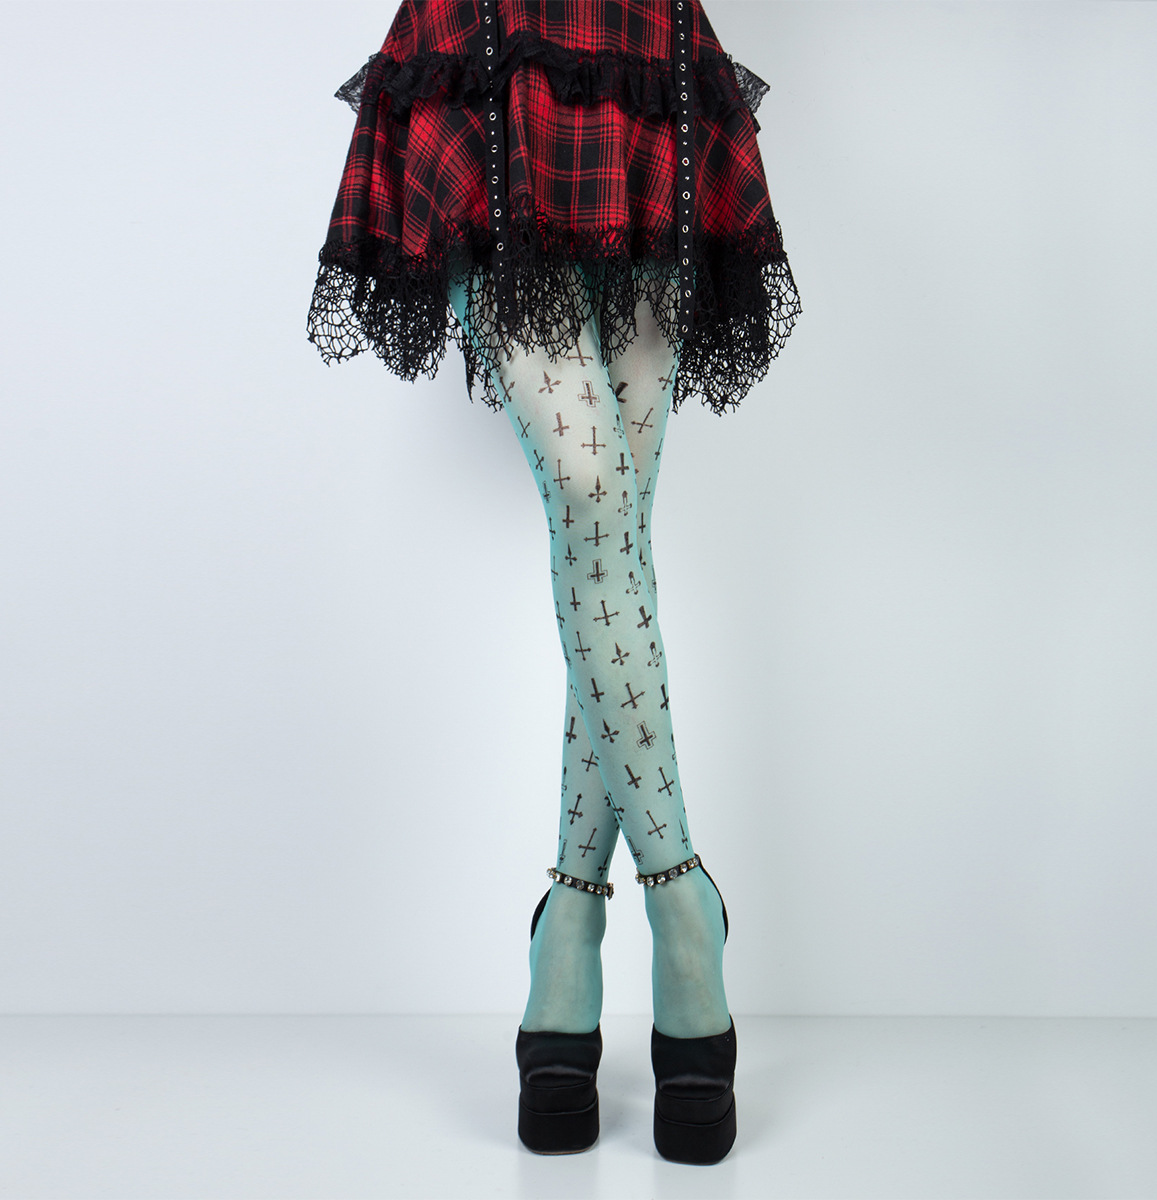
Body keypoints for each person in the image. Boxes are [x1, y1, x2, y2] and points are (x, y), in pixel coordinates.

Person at [307, 0, 800, 1163]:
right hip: (484, 64)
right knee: (594, 496)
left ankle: (568, 925)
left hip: (643, 63)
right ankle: (684, 905)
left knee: (613, 524)